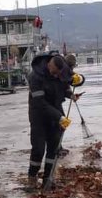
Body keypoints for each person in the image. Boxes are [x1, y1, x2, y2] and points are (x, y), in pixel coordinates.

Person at [27, 54, 75, 189]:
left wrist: (72, 92)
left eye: (58, 74)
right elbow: (40, 103)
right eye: (54, 73)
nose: (56, 76)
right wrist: (60, 117)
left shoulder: (61, 70)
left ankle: (48, 179)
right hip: (38, 116)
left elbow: (68, 82)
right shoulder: (35, 77)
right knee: (38, 149)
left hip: (56, 113)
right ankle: (32, 177)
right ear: (49, 65)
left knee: (53, 148)